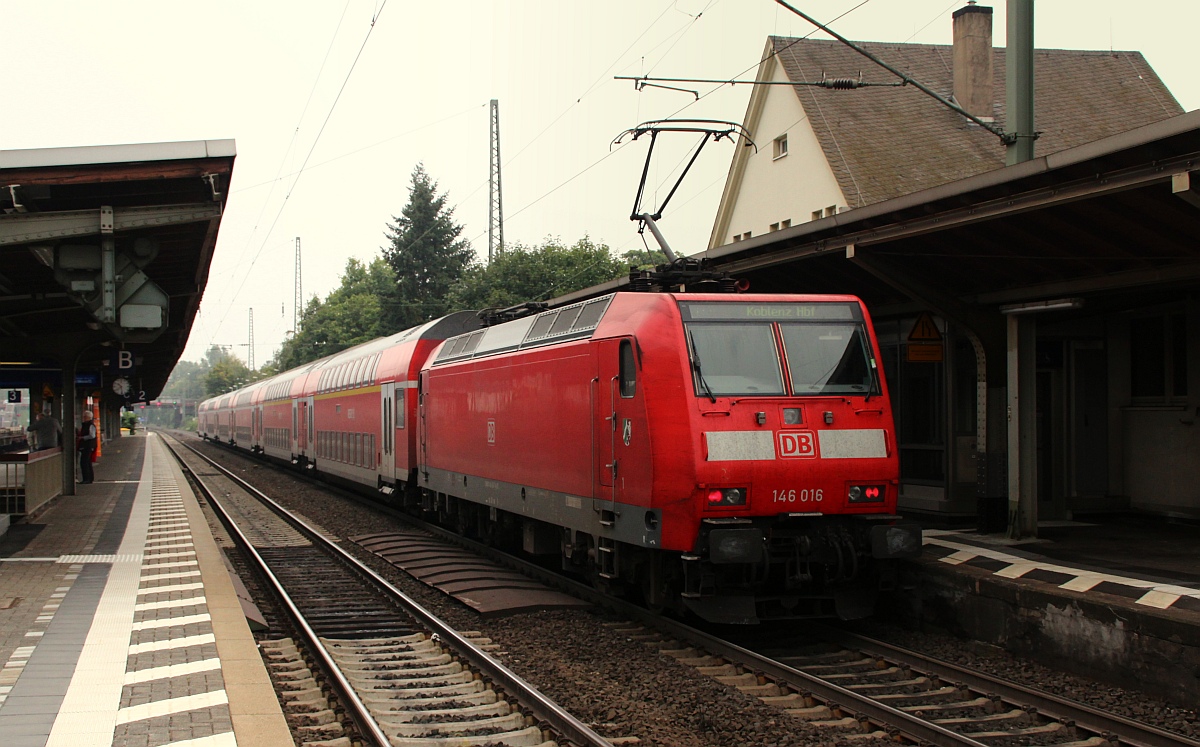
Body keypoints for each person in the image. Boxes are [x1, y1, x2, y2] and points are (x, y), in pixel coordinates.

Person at [78, 410, 97, 484]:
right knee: (87, 462)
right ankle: (89, 478)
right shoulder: (86, 425)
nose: (83, 418)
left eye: (85, 417)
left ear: (89, 417)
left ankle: (86, 479)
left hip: (88, 446)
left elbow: (92, 435)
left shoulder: (90, 425)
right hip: (87, 446)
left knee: (84, 462)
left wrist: (82, 438)